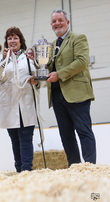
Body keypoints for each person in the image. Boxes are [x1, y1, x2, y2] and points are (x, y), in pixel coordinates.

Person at [45, 9, 96, 166]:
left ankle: (89, 167)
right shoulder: (51, 45)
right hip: (57, 94)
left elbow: (81, 62)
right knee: (66, 135)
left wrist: (59, 74)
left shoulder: (78, 38)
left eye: (60, 20)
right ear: (51, 25)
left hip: (77, 93)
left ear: (67, 22)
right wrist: (37, 59)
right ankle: (74, 166)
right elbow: (47, 67)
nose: (57, 23)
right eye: (54, 21)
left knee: (84, 131)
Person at [0, 27, 39, 173]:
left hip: (25, 102)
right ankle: (19, 169)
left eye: (15, 38)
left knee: (25, 138)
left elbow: (38, 75)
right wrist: (4, 60)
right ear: (6, 42)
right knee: (15, 140)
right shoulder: (0, 59)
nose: (12, 41)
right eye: (10, 38)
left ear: (21, 41)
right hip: (9, 104)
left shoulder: (28, 57)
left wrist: (36, 81)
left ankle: (26, 170)